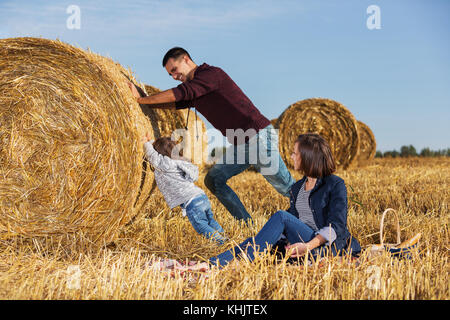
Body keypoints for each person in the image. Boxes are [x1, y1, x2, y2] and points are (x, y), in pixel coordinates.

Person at [127, 47, 295, 223]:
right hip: (241, 143)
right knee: (214, 180)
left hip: (257, 136)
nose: (175, 77)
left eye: (174, 70)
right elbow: (175, 101)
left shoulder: (210, 75)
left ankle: (315, 218)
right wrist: (144, 101)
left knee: (287, 187)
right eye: (171, 75)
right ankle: (247, 224)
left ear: (185, 59)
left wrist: (141, 100)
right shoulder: (196, 87)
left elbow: (181, 93)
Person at [171, 134, 361, 271]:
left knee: (281, 216)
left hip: (322, 247)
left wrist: (309, 246)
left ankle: (238, 263)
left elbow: (337, 225)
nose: (291, 157)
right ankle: (212, 264)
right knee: (254, 242)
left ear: (309, 156)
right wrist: (265, 241)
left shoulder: (334, 184)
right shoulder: (297, 188)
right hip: (299, 245)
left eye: (296, 153)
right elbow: (290, 225)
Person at [142, 132, 227, 245]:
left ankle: (221, 241)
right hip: (201, 196)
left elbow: (152, 155)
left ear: (161, 153)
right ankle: (225, 236)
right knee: (210, 220)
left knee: (201, 226)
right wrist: (151, 141)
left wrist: (146, 143)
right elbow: (157, 152)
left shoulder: (165, 164)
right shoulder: (179, 162)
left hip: (191, 201)